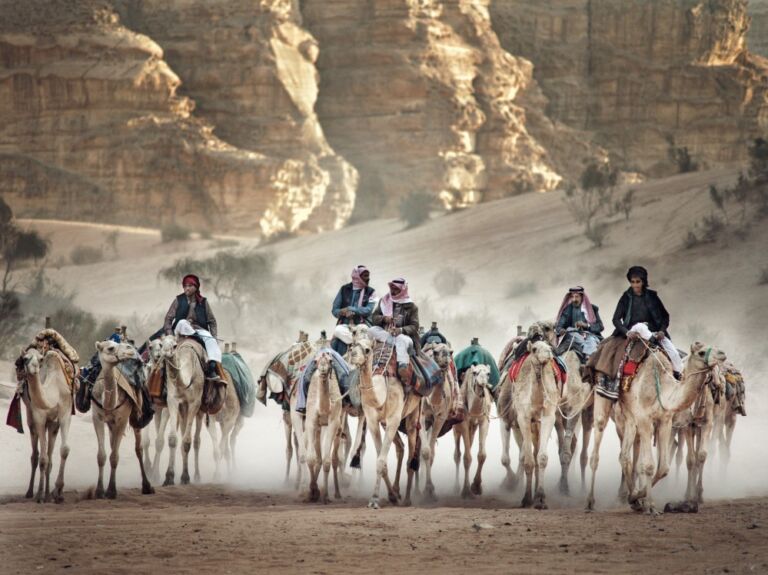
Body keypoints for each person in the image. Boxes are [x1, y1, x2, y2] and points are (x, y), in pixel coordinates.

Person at [163, 274, 222, 382]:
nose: (187, 288)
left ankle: (212, 367)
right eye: (185, 286)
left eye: (190, 286)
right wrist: (170, 335)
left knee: (210, 339)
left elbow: (212, 321)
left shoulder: (203, 302)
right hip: (180, 329)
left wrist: (214, 336)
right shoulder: (178, 300)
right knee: (182, 322)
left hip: (198, 330)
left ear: (196, 287)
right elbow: (168, 319)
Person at [369, 277, 420, 382]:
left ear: (402, 290)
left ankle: (402, 366)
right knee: (371, 330)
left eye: (396, 289)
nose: (392, 291)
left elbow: (414, 326)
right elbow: (374, 318)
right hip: (387, 335)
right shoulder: (384, 301)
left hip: (403, 337)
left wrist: (400, 330)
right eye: (391, 288)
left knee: (402, 340)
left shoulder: (411, 307)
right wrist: (384, 318)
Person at [330, 265, 377, 355]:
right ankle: (358, 343)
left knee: (365, 333)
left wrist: (351, 309)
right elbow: (334, 310)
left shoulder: (372, 292)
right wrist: (343, 312)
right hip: (345, 327)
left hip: (363, 326)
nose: (368, 278)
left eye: (368, 276)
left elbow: (368, 310)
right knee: (337, 333)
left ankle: (359, 344)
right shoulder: (344, 289)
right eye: (365, 276)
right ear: (357, 276)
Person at [555, 286, 604, 359]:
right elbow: (559, 326)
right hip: (572, 335)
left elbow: (600, 326)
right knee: (571, 332)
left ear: (582, 297)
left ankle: (588, 360)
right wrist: (561, 330)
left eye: (577, 297)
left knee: (591, 341)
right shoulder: (567, 310)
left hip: (590, 336)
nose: (574, 299)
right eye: (572, 297)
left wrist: (586, 325)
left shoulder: (593, 309)